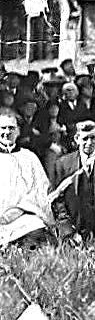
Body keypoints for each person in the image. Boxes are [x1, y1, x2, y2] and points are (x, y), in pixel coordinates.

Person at [49, 119, 95, 247]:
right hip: (73, 231)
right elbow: (57, 202)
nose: (89, 143)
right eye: (85, 139)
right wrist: (69, 231)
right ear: (77, 139)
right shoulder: (63, 164)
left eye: (93, 138)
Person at [0, 106, 52, 248]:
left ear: (18, 131)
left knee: (35, 229)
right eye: (3, 128)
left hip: (22, 217)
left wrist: (19, 210)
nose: (6, 132)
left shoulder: (29, 157)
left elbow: (40, 190)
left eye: (11, 128)